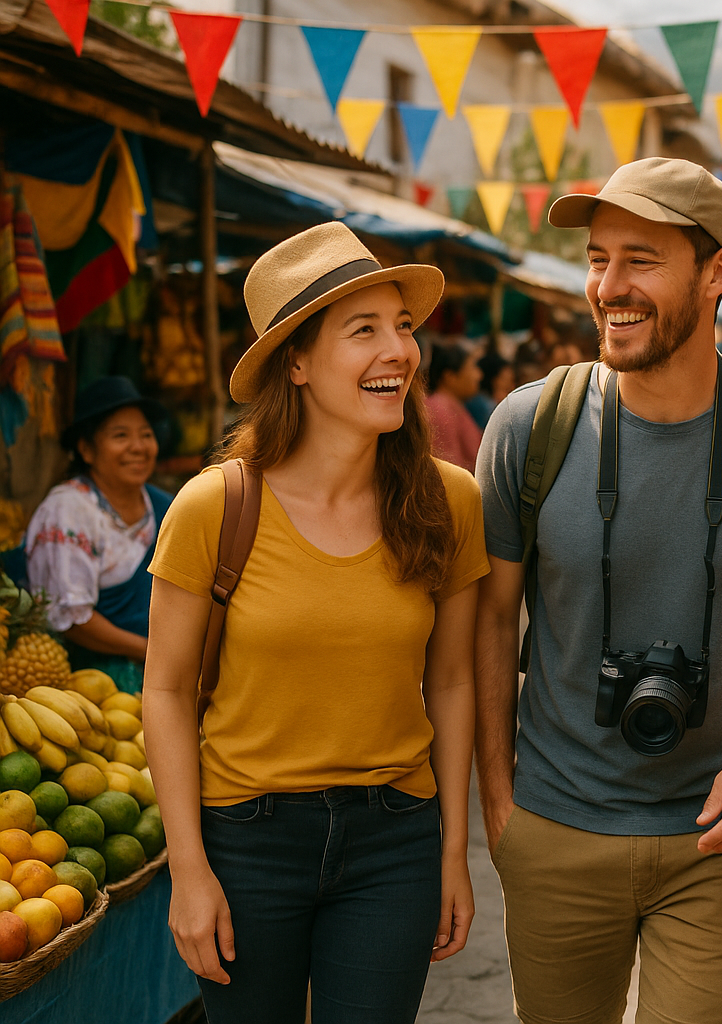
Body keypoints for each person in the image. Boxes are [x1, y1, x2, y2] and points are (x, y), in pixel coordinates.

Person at [474, 157, 722, 1024]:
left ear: (717, 270)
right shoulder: (527, 428)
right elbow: (492, 622)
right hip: (553, 827)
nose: (609, 286)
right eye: (598, 257)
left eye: (641, 259)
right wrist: (500, 808)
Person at [143, 223, 489, 1024]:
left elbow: (455, 679)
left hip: (393, 840)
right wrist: (188, 871)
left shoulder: (449, 502)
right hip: (245, 843)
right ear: (295, 363)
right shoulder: (214, 507)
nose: (398, 350)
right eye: (362, 330)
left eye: (402, 326)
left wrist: (451, 853)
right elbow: (163, 691)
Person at [25, 376, 170, 693]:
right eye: (121, 436)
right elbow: (72, 619)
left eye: (146, 435)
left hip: (167, 669)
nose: (138, 447)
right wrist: (155, 653)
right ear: (87, 449)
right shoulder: (67, 512)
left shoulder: (165, 506)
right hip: (92, 682)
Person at [423, 344, 483, 473]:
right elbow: (450, 468)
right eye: (472, 368)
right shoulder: (439, 409)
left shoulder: (452, 406)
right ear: (450, 377)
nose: (479, 375)